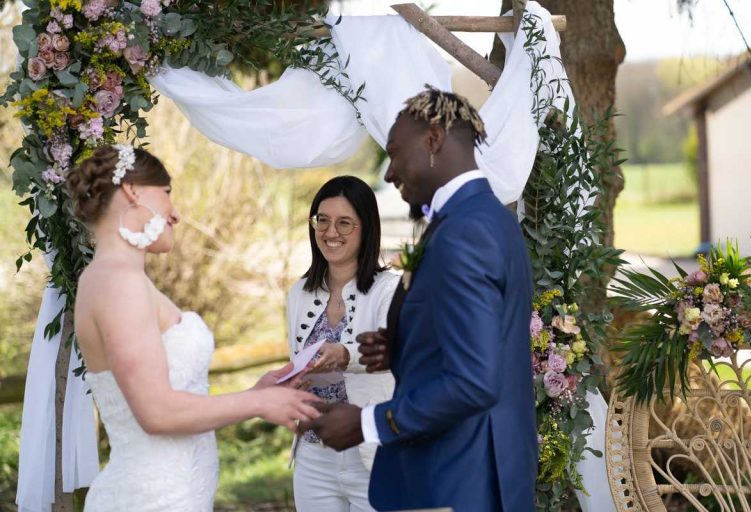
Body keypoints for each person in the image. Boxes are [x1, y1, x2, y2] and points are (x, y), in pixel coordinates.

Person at [301, 86, 538, 511]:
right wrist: (402, 347)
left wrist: (367, 423)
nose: (390, 173)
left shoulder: (464, 232)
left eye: (394, 152)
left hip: (458, 476)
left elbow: (474, 381)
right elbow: (484, 341)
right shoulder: (488, 219)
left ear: (432, 141)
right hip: (477, 469)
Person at [66, 144, 319, 511]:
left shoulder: (122, 277)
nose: (176, 214)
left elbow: (171, 398)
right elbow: (156, 413)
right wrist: (257, 402)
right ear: (132, 191)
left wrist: (254, 392)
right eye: (167, 193)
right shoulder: (117, 281)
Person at [287, 175, 398, 511]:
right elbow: (297, 361)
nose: (330, 232)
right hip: (312, 454)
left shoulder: (388, 290)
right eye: (322, 220)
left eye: (344, 223)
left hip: (371, 452)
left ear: (366, 229)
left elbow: (392, 350)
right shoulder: (299, 292)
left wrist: (344, 354)